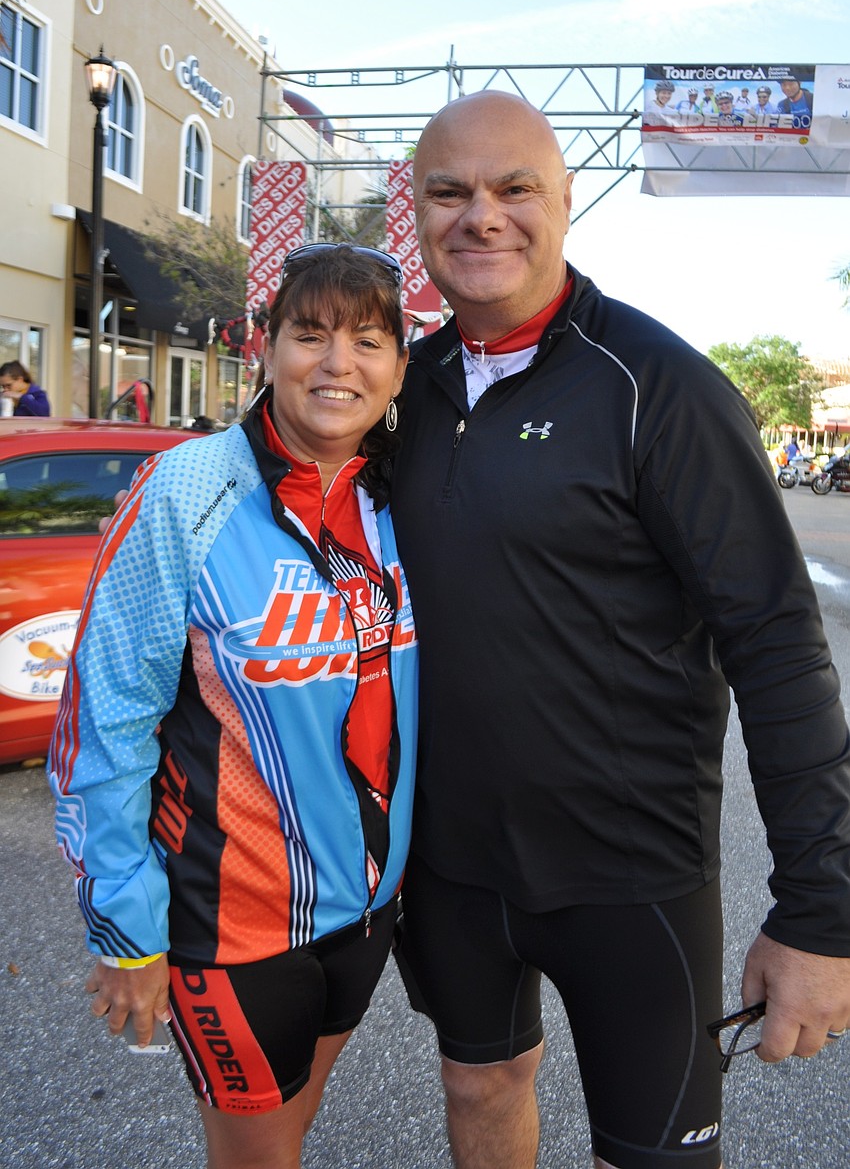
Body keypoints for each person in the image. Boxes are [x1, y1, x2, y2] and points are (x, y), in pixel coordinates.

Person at [389, 91, 850, 1169]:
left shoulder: (659, 384)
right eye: (449, 192)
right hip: (451, 865)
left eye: (514, 188)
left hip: (632, 876)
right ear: (415, 213)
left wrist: (821, 912)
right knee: (479, 1081)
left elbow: (778, 647)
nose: (481, 215)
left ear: (564, 201)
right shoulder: (401, 388)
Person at [49, 244, 417, 1169]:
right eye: (311, 334)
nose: (338, 363)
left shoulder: (405, 496)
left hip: (367, 910)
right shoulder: (187, 489)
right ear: (266, 346)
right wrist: (125, 927)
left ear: (400, 367)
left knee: (291, 1129)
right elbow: (106, 720)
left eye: (368, 340)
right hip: (230, 920)